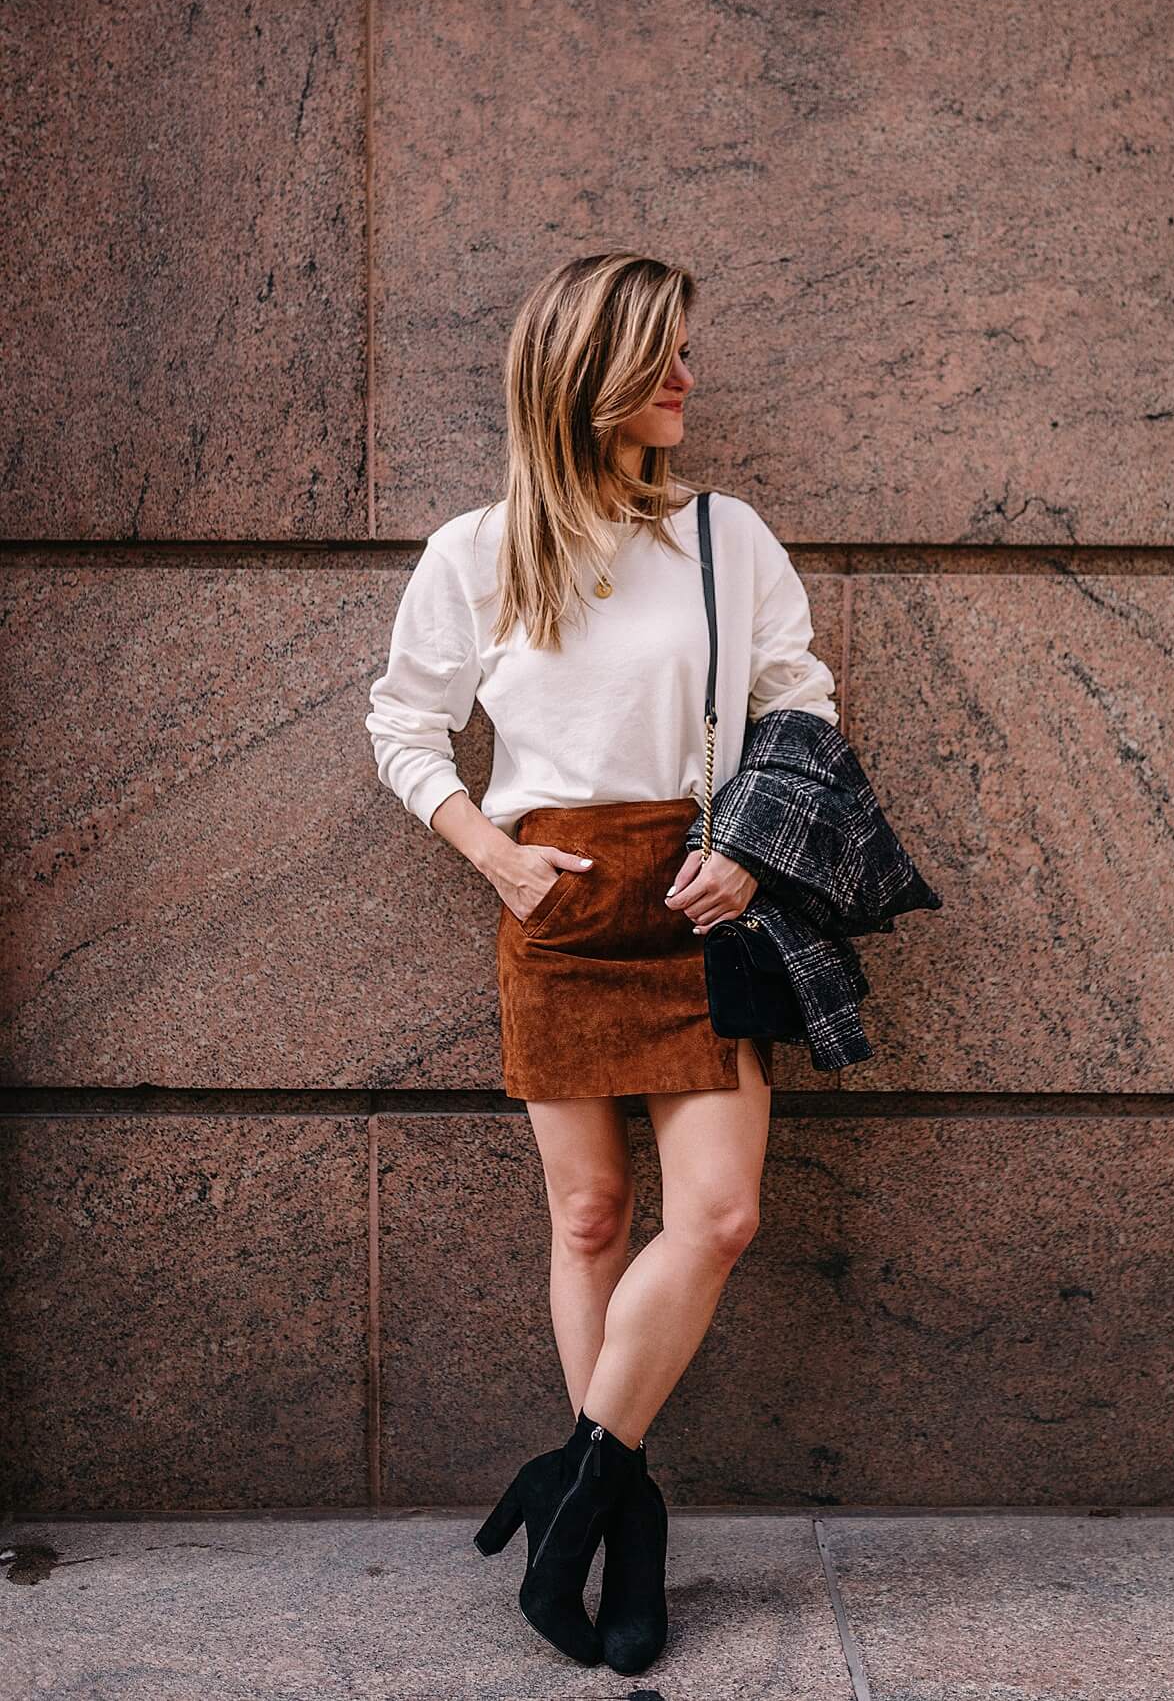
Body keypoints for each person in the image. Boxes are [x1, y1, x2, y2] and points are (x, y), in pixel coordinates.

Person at [365, 252, 840, 1672]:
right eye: (660, 353)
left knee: (720, 1217)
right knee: (589, 1220)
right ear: (583, 379)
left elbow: (798, 708)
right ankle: (626, 1524)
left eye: (688, 348)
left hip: (703, 912)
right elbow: (401, 726)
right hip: (560, 915)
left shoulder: (726, 537)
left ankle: (567, 1502)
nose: (690, 375)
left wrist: (751, 851)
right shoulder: (476, 552)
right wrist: (493, 853)